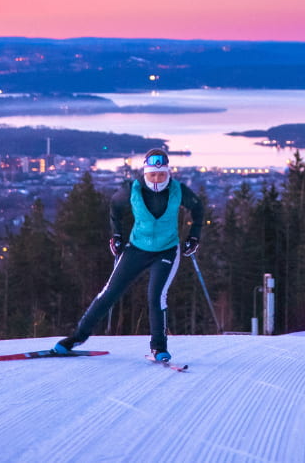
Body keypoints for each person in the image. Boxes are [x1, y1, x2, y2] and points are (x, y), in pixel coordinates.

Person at [53, 147, 205, 362]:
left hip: (167, 250)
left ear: (168, 173)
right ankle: (77, 337)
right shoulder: (132, 189)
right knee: (109, 292)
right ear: (145, 173)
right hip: (136, 249)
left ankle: (159, 348)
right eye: (153, 174)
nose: (157, 178)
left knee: (156, 296)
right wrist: (116, 235)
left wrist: (194, 237)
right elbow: (115, 206)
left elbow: (198, 209)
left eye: (162, 174)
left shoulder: (178, 190)